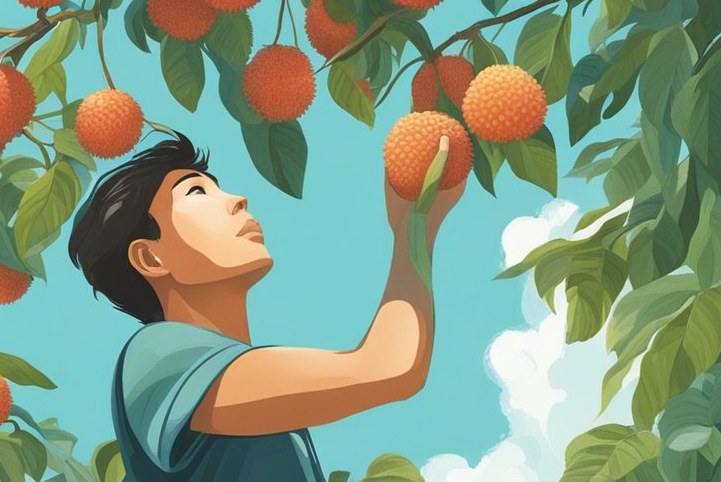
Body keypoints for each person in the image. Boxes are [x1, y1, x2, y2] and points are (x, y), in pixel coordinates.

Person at [68, 131, 466, 481]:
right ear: (151, 258)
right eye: (196, 191)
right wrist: (414, 228)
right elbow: (387, 369)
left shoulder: (256, 394)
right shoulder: (156, 356)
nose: (237, 200)